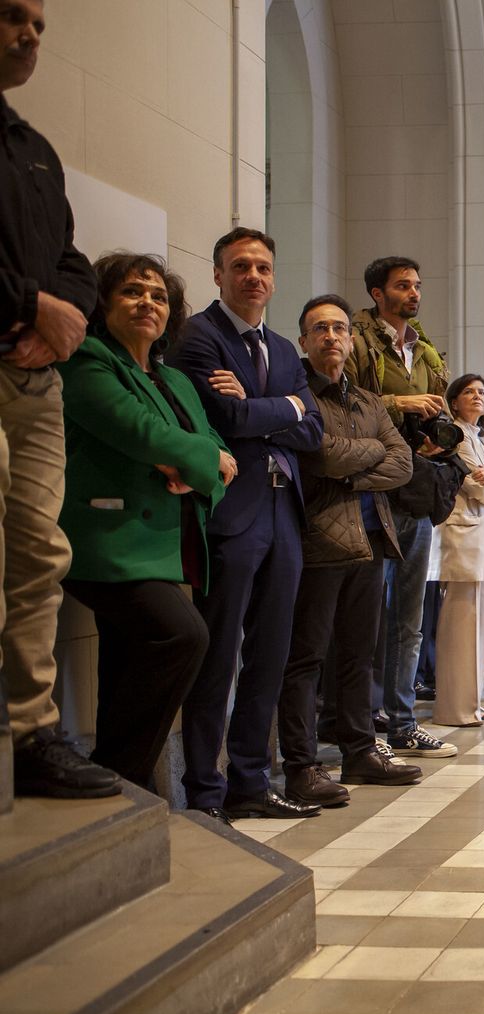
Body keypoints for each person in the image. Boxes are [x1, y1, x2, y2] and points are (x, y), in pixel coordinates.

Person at [0, 1, 120, 799]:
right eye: (13, 17)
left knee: (38, 553)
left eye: (40, 23)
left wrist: (60, 319)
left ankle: (29, 730)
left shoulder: (33, 148)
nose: (31, 34)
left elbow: (72, 261)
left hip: (35, 379)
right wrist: (23, 305)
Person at [57, 253, 233, 793]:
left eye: (158, 296)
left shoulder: (174, 379)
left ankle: (128, 792)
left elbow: (222, 455)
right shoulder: (87, 359)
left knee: (126, 662)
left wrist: (199, 469)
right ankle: (120, 771)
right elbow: (139, 432)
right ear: (102, 304)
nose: (147, 303)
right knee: (182, 636)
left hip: (165, 544)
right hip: (107, 543)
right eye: (132, 292)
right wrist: (197, 458)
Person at [170, 227, 324, 821]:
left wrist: (275, 410)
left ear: (274, 278)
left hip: (285, 512)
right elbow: (224, 416)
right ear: (218, 275)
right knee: (218, 655)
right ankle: (205, 792)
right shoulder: (197, 338)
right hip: (232, 516)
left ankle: (251, 785)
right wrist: (285, 407)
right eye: (240, 267)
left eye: (262, 267)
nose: (253, 277)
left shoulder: (285, 349)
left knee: (271, 654)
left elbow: (311, 432)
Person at [277, 294, 420, 807]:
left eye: (339, 328)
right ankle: (301, 764)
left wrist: (354, 466)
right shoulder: (297, 395)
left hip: (372, 540)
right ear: (304, 341)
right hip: (319, 540)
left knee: (361, 655)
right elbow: (318, 457)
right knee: (307, 657)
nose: (332, 337)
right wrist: (368, 457)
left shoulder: (366, 400)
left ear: (351, 339)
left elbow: (402, 464)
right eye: (320, 329)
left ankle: (359, 751)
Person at [347, 255, 455, 758]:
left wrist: (439, 440)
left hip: (413, 487)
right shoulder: (357, 338)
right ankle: (362, 722)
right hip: (369, 491)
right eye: (403, 286)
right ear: (377, 293)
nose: (414, 293)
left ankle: (403, 720)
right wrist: (401, 405)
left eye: (417, 285)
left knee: (409, 617)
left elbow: (442, 408)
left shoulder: (426, 350)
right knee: (367, 614)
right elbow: (344, 400)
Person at [431, 373, 484, 726]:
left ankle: (473, 701)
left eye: (482, 392)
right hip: (464, 537)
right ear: (454, 401)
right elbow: (474, 486)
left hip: (483, 537)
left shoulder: (481, 440)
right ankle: (455, 707)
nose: (477, 396)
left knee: (479, 622)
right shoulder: (454, 436)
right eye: (469, 392)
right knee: (461, 623)